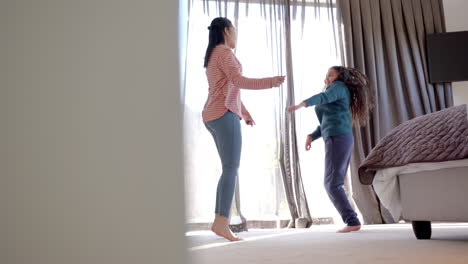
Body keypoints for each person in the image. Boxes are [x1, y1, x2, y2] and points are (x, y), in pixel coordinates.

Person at [202, 17, 285, 241]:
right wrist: (271, 81)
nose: (236, 35)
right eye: (235, 30)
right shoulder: (224, 53)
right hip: (222, 114)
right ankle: (221, 222)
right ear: (227, 31)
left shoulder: (213, 54)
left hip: (213, 115)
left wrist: (244, 113)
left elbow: (226, 89)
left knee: (227, 168)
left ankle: (219, 221)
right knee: (231, 169)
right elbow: (239, 81)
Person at [288, 66, 373, 233]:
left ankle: (352, 221)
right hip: (337, 138)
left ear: (340, 77)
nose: (326, 78)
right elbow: (327, 122)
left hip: (338, 139)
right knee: (332, 183)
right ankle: (352, 219)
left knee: (332, 184)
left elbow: (323, 97)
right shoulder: (337, 91)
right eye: (326, 75)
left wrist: (303, 104)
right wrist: (312, 136)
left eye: (330, 75)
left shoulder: (338, 88)